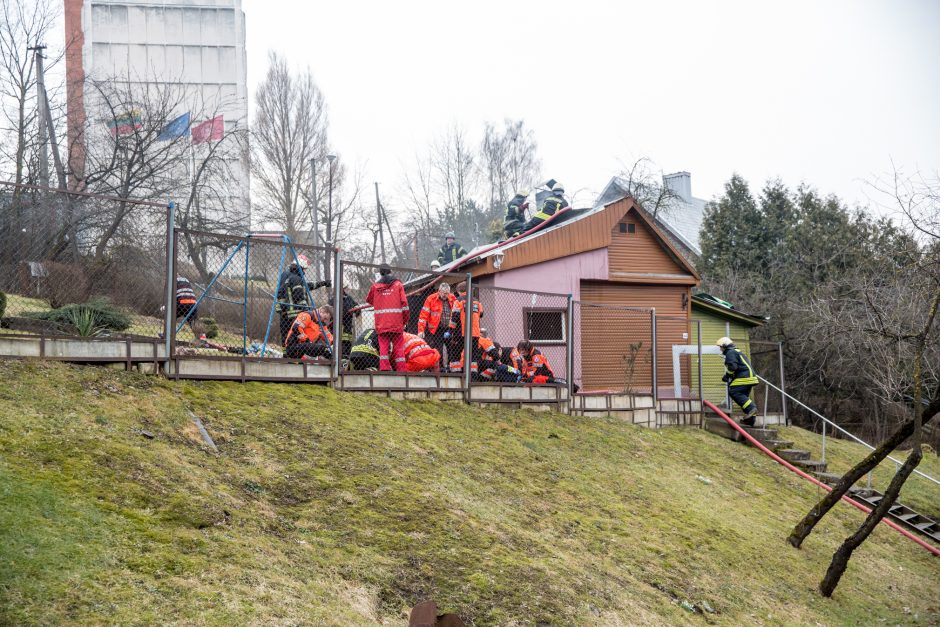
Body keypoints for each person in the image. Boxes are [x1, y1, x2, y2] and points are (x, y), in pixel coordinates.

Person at [276, 254, 331, 345]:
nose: (305, 271)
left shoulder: (288, 276)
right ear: (301, 268)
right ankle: (294, 356)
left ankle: (286, 356)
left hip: (286, 314)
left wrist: (323, 283)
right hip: (295, 314)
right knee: (296, 336)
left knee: (286, 337)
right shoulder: (296, 279)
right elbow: (300, 297)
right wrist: (309, 313)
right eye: (305, 269)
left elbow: (308, 286)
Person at [366, 264, 409, 371]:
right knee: (399, 347)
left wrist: (381, 299)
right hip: (396, 322)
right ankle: (401, 369)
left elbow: (369, 300)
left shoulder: (375, 286)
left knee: (383, 347)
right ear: (390, 272)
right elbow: (405, 304)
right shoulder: (398, 285)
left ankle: (384, 368)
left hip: (382, 323)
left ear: (380, 273)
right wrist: (405, 320)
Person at [716, 336, 760, 426]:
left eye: (721, 347)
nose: (720, 349)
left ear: (725, 345)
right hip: (749, 377)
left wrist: (727, 376)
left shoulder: (730, 352)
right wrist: (729, 375)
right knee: (743, 397)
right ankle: (750, 420)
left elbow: (733, 367)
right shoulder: (735, 351)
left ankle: (752, 408)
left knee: (734, 391)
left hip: (744, 377)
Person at [418, 281, 456, 367]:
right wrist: (421, 330)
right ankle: (441, 368)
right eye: (443, 293)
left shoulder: (452, 298)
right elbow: (423, 316)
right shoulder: (431, 299)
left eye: (447, 293)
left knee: (451, 349)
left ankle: (450, 368)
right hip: (436, 329)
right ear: (439, 291)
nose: (445, 295)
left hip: (449, 329)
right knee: (438, 350)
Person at [447, 282, 483, 372]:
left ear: (459, 291)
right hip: (475, 334)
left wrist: (450, 331)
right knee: (473, 356)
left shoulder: (458, 301)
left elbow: (454, 317)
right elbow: (481, 314)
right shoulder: (477, 301)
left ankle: (457, 374)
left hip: (460, 333)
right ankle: (473, 376)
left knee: (455, 354)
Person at [330, 287, 360, 359]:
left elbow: (356, 306)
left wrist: (357, 309)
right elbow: (330, 312)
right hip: (336, 327)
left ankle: (345, 359)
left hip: (347, 326)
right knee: (337, 344)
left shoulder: (349, 298)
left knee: (347, 343)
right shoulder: (332, 300)